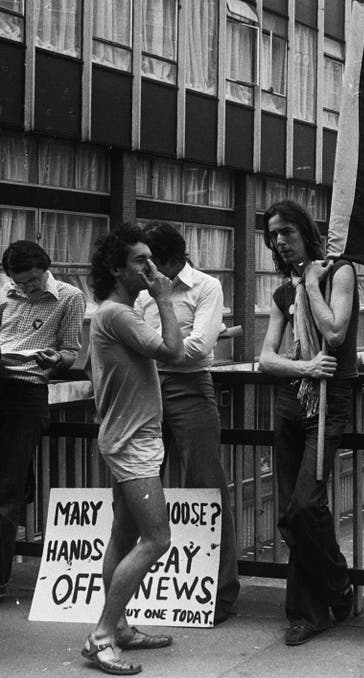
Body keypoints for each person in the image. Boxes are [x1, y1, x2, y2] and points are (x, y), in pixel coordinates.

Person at [83, 223, 185, 675]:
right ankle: (103, 635)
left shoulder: (114, 312)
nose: (151, 267)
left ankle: (119, 627)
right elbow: (174, 352)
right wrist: (164, 297)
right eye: (140, 261)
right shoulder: (118, 314)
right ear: (116, 268)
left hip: (129, 437)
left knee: (124, 536)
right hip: (132, 444)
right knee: (157, 539)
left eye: (151, 259)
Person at [258, 200, 357, 646]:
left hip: (329, 399)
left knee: (304, 507)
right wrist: (302, 369)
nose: (281, 241)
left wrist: (313, 285)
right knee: (290, 514)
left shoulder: (339, 273)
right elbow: (266, 358)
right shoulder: (282, 293)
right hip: (292, 400)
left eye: (287, 232)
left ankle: (317, 606)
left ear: (305, 231)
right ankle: (327, 597)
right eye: (274, 235)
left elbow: (334, 333)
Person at [134, 222, 239, 624]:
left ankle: (221, 593)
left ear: (173, 260)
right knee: (142, 483)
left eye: (151, 262)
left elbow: (198, 347)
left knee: (207, 484)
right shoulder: (142, 291)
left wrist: (149, 349)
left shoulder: (206, 287)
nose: (146, 272)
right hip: (146, 389)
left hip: (190, 389)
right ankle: (145, 590)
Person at [0, 241, 85, 598]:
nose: (28, 289)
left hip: (26, 390)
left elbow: (71, 351)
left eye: (33, 281)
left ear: (45, 270)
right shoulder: (5, 291)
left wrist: (57, 361)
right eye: (21, 283)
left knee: (8, 487)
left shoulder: (69, 296)